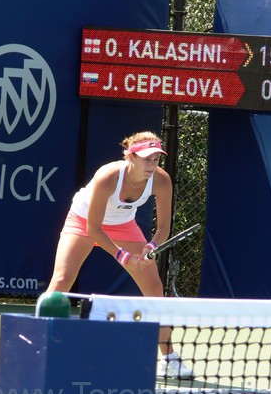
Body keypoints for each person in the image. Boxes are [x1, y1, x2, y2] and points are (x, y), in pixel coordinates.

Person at [45, 131, 193, 378]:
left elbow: (164, 228)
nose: (152, 165)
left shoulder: (161, 180)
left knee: (155, 289)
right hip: (83, 221)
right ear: (130, 156)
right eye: (146, 159)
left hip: (124, 225)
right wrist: (124, 257)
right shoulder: (109, 176)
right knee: (61, 281)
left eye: (156, 159)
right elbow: (94, 229)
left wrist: (150, 247)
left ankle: (169, 358)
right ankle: (41, 347)